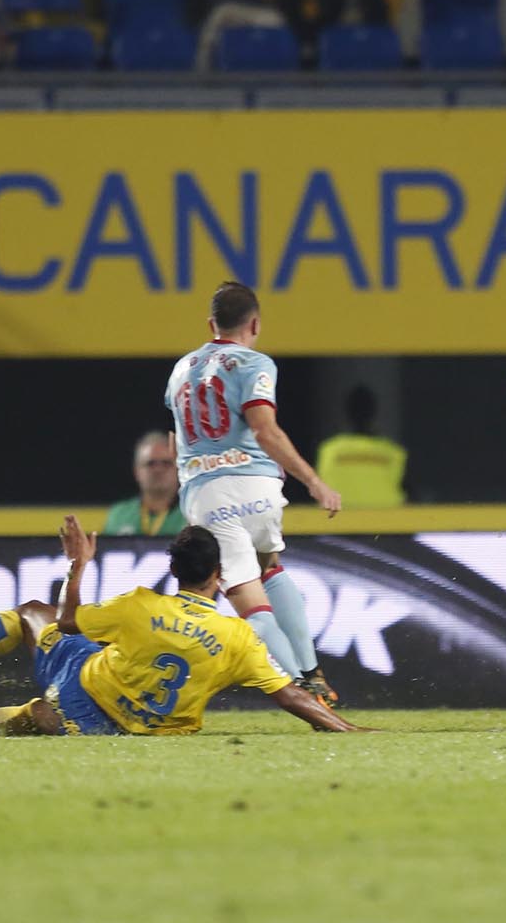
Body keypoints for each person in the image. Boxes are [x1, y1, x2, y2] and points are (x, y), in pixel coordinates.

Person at [0, 517, 361, 737]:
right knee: (32, 715)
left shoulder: (140, 605)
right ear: (219, 577)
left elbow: (69, 620)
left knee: (34, 614)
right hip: (133, 725)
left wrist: (78, 566)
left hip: (85, 683)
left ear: (175, 572)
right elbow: (292, 697)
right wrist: (350, 728)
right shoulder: (238, 640)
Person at [167, 281, 342, 707]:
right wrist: (313, 481)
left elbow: (178, 439)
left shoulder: (180, 369)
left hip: (207, 493)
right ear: (256, 323)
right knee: (271, 567)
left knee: (251, 606)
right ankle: (312, 672)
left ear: (211, 324)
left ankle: (304, 694)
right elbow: (264, 429)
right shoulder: (255, 363)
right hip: (260, 487)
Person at [315, 386, 406, 509]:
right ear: (374, 412)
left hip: (336, 523)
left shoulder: (328, 451)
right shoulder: (394, 453)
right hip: (384, 524)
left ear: (347, 413)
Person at [101, 431, 185, 537]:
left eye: (166, 463)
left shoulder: (191, 515)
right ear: (137, 471)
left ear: (178, 469)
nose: (158, 469)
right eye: (151, 463)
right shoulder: (118, 515)